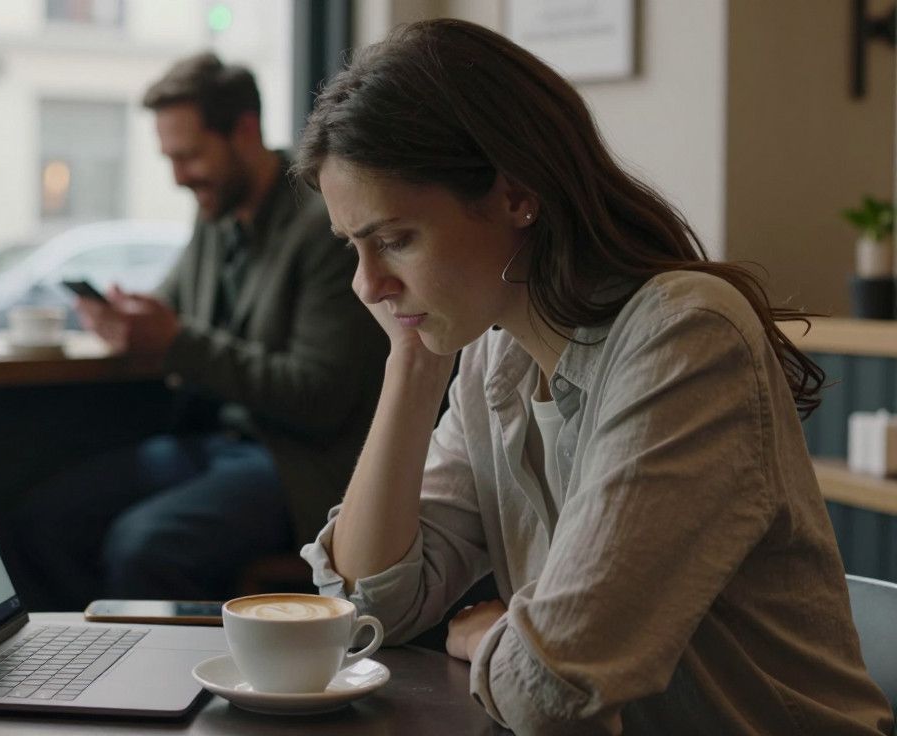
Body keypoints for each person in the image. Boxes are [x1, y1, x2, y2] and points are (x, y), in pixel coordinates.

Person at [294, 19, 893, 735]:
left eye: (395, 240)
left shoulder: (685, 335)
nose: (367, 284)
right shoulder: (497, 355)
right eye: (352, 248)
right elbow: (372, 609)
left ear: (516, 195)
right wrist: (412, 364)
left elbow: (551, 686)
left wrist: (490, 634)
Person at [8, 53, 387, 611]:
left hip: (297, 464)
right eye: (170, 158)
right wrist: (124, 319)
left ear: (245, 131)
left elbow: (319, 396)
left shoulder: (324, 224)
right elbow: (170, 306)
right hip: (220, 447)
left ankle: (161, 688)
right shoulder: (216, 214)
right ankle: (87, 674)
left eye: (189, 156)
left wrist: (175, 341)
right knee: (42, 521)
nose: (179, 177)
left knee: (142, 546)